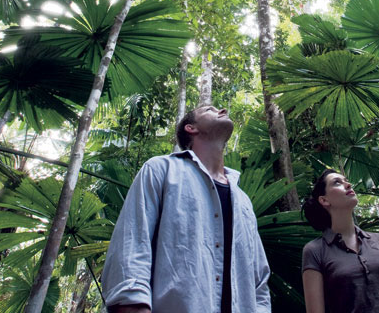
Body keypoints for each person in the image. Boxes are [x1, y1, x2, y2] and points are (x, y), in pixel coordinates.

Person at [101, 104, 271, 313]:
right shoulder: (161, 170)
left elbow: (259, 276)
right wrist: (132, 304)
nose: (222, 110)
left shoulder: (243, 200)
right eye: (210, 109)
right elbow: (132, 241)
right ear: (191, 128)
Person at [301, 169, 379, 313]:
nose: (347, 185)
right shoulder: (315, 251)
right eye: (337, 183)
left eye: (346, 181)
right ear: (324, 200)